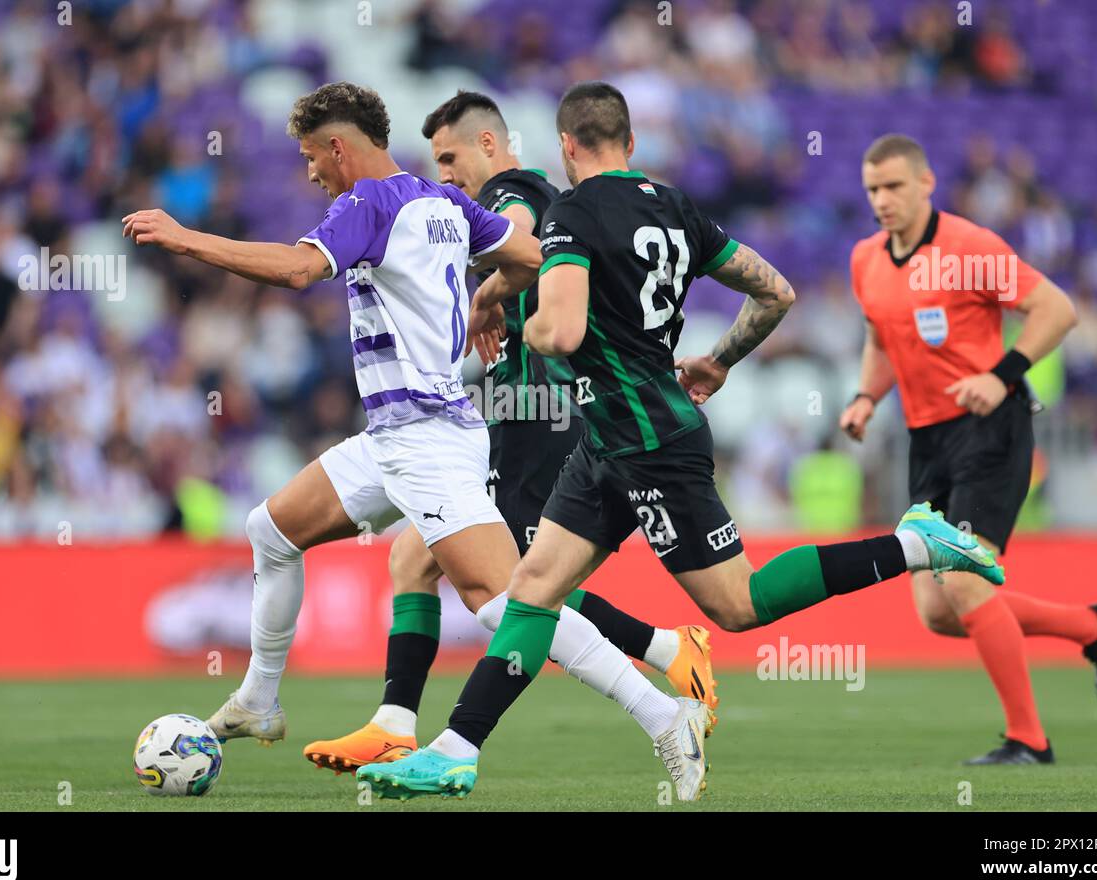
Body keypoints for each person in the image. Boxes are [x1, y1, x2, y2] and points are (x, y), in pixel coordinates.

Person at [358, 83, 1005, 802]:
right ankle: (457, 750)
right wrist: (720, 359)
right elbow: (776, 291)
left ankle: (916, 543)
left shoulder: (570, 214)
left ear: (568, 146)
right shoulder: (675, 208)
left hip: (650, 445)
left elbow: (562, 332)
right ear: (629, 144)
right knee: (532, 590)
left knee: (737, 605)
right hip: (609, 439)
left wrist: (521, 319)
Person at [302, 90, 720, 776]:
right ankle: (395, 724)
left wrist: (485, 288)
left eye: (450, 158)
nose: (444, 176)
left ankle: (656, 669)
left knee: (518, 584)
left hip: (537, 416)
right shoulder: (479, 202)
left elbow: (518, 231)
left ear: (490, 145)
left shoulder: (512, 188)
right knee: (418, 560)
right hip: (514, 411)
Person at [839, 133, 1097, 765]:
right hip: (926, 440)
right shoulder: (865, 259)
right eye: (872, 190)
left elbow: (1057, 308)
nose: (881, 201)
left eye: (892, 187)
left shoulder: (970, 248)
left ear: (925, 183)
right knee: (937, 612)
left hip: (988, 429)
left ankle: (1029, 739)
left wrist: (1001, 375)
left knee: (964, 584)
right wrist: (865, 396)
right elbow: (882, 340)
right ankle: (1092, 626)